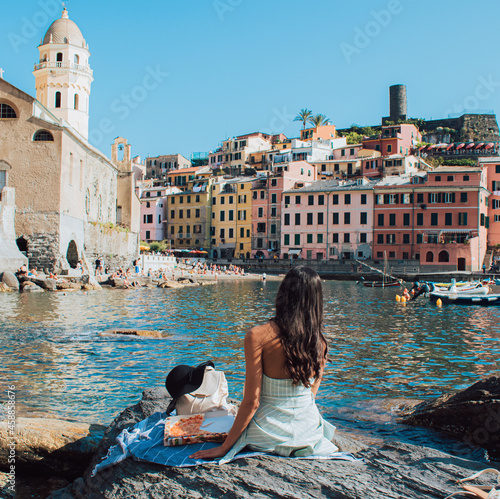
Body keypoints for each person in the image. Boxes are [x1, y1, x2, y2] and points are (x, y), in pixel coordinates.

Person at [190, 266, 338, 462]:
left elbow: (252, 402)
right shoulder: (320, 342)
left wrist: (225, 447)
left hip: (269, 434)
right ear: (317, 301)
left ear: (283, 294)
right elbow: (310, 396)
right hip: (309, 433)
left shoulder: (258, 336)